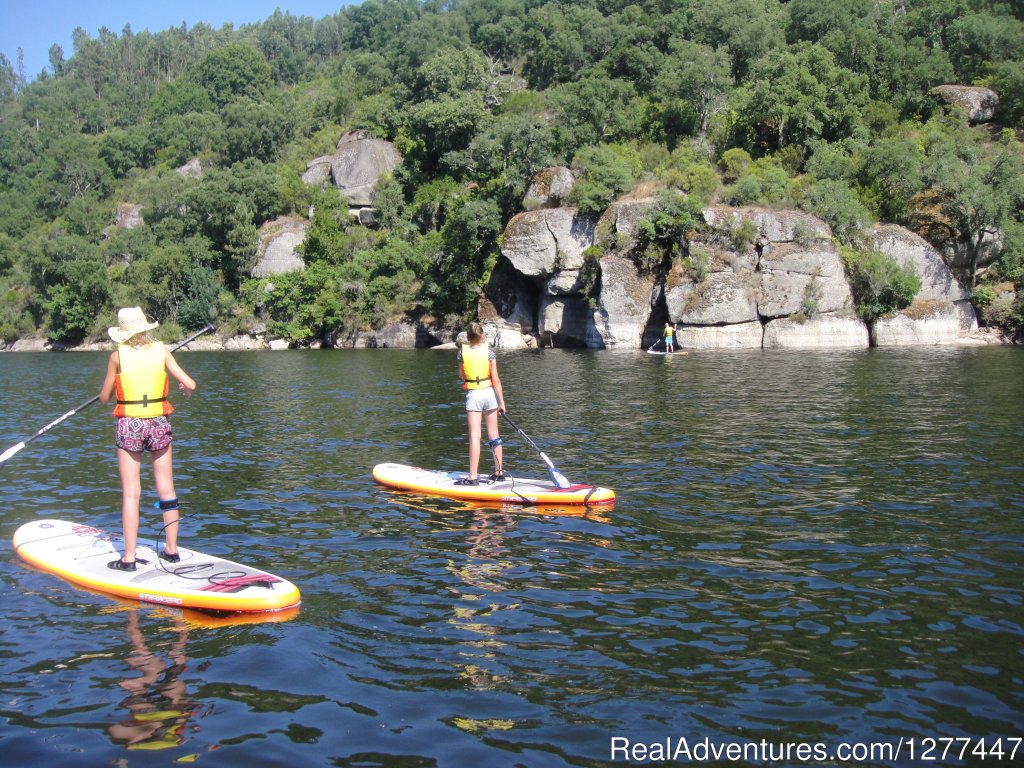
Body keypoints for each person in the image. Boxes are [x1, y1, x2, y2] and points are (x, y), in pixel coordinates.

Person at [99, 307, 196, 571]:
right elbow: (191, 384)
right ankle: (172, 550)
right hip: (158, 423)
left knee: (132, 493)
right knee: (167, 488)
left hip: (129, 424)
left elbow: (105, 398)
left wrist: (108, 391)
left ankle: (129, 558)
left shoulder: (116, 357)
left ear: (123, 334)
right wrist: (184, 389)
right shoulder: (162, 352)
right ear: (145, 329)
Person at [455, 322, 506, 485]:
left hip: (474, 395)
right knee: (494, 435)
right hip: (490, 393)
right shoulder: (490, 354)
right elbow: (496, 380)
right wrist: (501, 403)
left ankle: (473, 477)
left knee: (475, 436)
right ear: (482, 336)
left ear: (468, 338)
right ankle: (499, 473)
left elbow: (461, 375)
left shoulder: (461, 354)